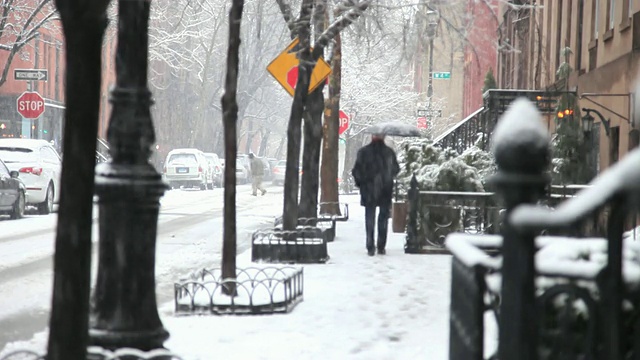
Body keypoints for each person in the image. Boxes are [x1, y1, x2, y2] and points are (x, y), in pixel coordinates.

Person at [351, 134, 400, 256]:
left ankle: (370, 245)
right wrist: (386, 177)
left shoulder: (363, 152)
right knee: (383, 218)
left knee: (369, 217)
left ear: (372, 137)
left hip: (368, 189)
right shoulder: (389, 153)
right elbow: (396, 169)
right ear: (383, 138)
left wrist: (361, 183)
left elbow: (356, 171)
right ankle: (381, 245)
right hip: (385, 190)